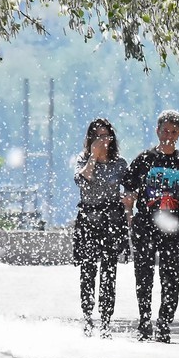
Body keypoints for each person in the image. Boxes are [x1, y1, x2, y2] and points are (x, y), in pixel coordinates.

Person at [123, 110, 179, 343]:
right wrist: (128, 214)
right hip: (145, 224)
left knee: (171, 277)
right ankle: (144, 321)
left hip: (173, 228)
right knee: (144, 276)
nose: (169, 135)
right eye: (165, 130)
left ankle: (164, 324)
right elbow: (129, 190)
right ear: (157, 131)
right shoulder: (144, 159)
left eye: (174, 132)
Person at [73, 118, 130, 338]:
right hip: (88, 217)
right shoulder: (83, 160)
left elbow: (131, 188)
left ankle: (106, 318)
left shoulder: (119, 163)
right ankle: (87, 316)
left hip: (112, 220)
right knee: (87, 269)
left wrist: (129, 202)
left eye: (105, 135)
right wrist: (94, 157)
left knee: (109, 271)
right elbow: (81, 180)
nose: (102, 140)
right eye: (97, 136)